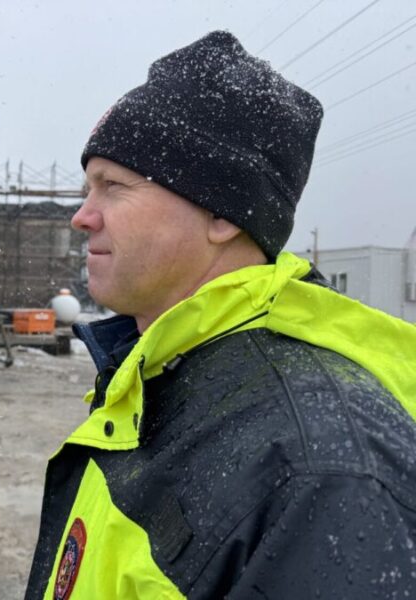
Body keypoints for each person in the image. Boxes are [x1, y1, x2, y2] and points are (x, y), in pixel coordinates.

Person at [25, 31, 416, 600]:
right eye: (89, 187)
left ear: (223, 213)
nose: (82, 216)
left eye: (113, 186)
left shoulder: (322, 468)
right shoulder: (161, 375)